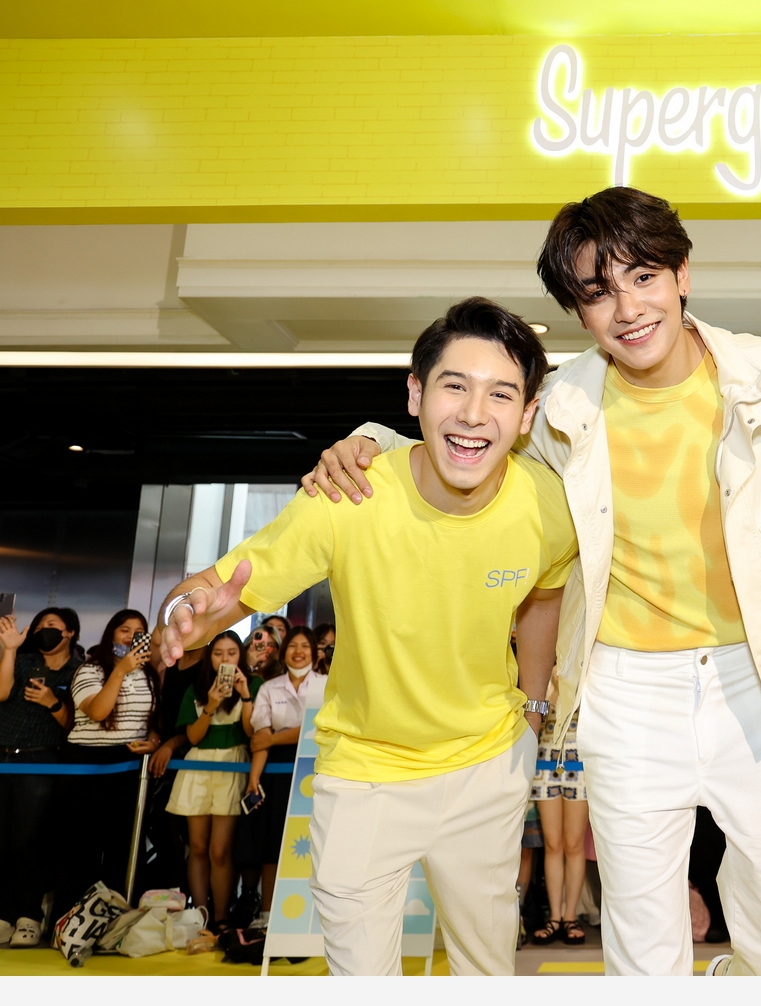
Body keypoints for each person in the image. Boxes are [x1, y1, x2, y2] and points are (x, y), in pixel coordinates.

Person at [300, 187, 761, 976]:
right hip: (627, 688)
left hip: (753, 677)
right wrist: (371, 439)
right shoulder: (564, 409)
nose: (628, 308)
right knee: (645, 940)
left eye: (644, 277)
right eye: (598, 293)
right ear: (578, 311)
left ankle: (732, 977)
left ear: (682, 274)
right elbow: (472, 446)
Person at [156, 298, 576, 976]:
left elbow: (545, 596)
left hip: (486, 766)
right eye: (455, 386)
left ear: (527, 415)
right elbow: (215, 586)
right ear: (415, 395)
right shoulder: (348, 494)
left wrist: (531, 711)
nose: (474, 414)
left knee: (487, 969)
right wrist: (188, 612)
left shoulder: (546, 504)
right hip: (363, 776)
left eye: (501, 394)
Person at [52, 609, 162, 923]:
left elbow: (151, 721)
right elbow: (98, 711)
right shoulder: (89, 670)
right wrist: (120, 671)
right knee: (81, 848)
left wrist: (153, 741)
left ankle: (114, 923)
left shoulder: (149, 674)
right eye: (124, 630)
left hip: (128, 766)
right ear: (111, 633)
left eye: (138, 631)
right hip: (86, 764)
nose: (131, 637)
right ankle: (70, 923)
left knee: (122, 848)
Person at [0, 608, 84, 947]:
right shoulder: (22, 661)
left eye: (52, 625)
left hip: (42, 759)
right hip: (4, 756)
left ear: (70, 632)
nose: (43, 630)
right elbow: (1, 693)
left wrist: (52, 702)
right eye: (39, 625)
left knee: (29, 840)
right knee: (3, 840)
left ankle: (29, 915)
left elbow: (76, 725)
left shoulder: (78, 670)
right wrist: (9, 649)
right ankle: (4, 914)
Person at [165, 629, 258, 929]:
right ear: (210, 657)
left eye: (231, 653)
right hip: (198, 765)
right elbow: (192, 737)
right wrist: (210, 706)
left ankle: (221, 916)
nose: (225, 659)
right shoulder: (196, 688)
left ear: (240, 655)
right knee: (198, 846)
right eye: (218, 654)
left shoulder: (254, 684)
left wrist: (245, 694)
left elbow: (252, 733)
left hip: (233, 764)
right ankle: (200, 914)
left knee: (220, 849)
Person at [240, 624, 327, 929]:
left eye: (305, 646)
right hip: (274, 772)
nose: (298, 652)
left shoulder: (326, 685)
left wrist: (276, 738)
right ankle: (267, 915)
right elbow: (260, 737)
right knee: (271, 842)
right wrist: (254, 778)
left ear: (315, 653)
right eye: (292, 646)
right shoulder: (269, 687)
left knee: (310, 843)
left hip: (313, 770)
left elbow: (316, 729)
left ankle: (310, 919)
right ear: (283, 651)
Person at [528, 694, 590, 948]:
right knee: (552, 844)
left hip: (580, 762)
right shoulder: (543, 676)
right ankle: (554, 917)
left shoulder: (587, 676)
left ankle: (570, 917)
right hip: (545, 762)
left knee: (574, 844)